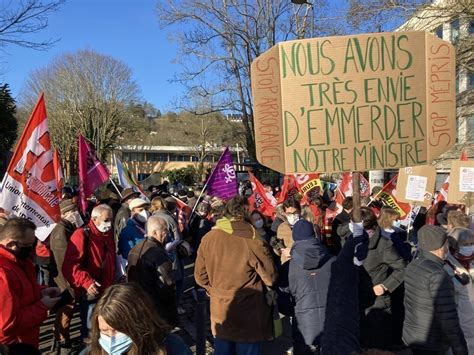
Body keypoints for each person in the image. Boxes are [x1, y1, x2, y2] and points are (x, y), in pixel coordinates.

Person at [195, 196, 278, 354]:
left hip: (220, 311)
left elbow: (200, 276)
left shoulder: (208, 238)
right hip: (249, 314)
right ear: (246, 213)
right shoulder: (253, 239)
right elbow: (270, 277)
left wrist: (216, 291)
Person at [403, 225, 468, 355]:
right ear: (442, 246)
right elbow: (448, 318)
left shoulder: (414, 265)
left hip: (413, 334)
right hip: (432, 340)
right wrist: (460, 348)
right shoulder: (438, 275)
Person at [0, 218, 61, 348]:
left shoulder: (19, 260)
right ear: (11, 244)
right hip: (14, 345)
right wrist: (42, 306)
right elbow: (7, 324)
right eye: (27, 246)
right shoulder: (3, 272)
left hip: (28, 338)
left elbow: (20, 292)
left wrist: (41, 292)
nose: (31, 249)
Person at [87, 283, 191, 354]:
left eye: (117, 331)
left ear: (137, 324)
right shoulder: (93, 351)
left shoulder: (173, 348)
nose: (111, 340)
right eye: (104, 331)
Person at [62, 204, 116, 341]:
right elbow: (70, 265)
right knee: (90, 331)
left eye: (111, 220)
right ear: (94, 219)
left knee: (106, 329)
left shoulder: (107, 234)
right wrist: (86, 282)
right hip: (91, 291)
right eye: (106, 220)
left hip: (107, 289)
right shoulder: (81, 235)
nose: (109, 224)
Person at [359, 207, 407, 350]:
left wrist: (385, 286)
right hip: (356, 301)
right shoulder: (353, 241)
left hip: (377, 303)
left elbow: (403, 268)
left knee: (376, 346)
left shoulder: (384, 245)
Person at [289, 219, 334, 354]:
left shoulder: (289, 267)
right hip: (331, 321)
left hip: (303, 325)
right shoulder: (333, 261)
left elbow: (284, 299)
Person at [127, 216, 178, 327]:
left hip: (138, 302)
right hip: (155, 306)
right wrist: (172, 315)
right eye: (165, 230)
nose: (167, 234)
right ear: (155, 232)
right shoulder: (158, 254)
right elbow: (166, 285)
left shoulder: (135, 249)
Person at [50, 199, 83, 354]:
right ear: (66, 214)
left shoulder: (67, 227)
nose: (77, 214)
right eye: (74, 212)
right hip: (65, 280)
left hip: (66, 278)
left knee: (67, 309)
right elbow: (63, 261)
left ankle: (61, 336)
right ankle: (62, 339)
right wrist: (70, 282)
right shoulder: (61, 232)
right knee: (67, 310)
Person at [277, 197, 302, 264]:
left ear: (299, 211)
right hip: (287, 263)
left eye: (295, 213)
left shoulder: (306, 226)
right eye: (289, 213)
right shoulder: (282, 227)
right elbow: (279, 252)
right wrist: (276, 247)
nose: (292, 216)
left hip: (301, 263)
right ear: (285, 213)